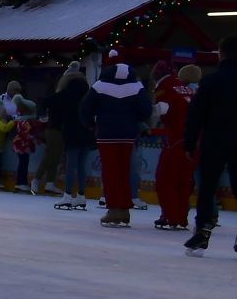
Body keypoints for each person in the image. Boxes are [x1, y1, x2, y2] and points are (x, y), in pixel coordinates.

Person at [81, 62, 151, 228]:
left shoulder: (99, 86)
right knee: (124, 171)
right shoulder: (136, 86)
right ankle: (125, 210)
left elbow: (85, 109)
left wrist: (91, 124)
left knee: (110, 172)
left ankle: (113, 209)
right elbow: (146, 110)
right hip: (128, 135)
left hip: (107, 134)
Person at [184, 37, 237, 255]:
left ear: (222, 54)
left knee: (207, 187)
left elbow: (196, 115)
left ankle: (202, 233)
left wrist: (190, 142)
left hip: (215, 141)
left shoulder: (211, 81)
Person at [152, 63, 200, 231]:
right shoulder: (186, 89)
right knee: (183, 180)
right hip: (194, 140)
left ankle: (170, 216)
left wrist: (145, 111)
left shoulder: (166, 87)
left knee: (165, 179)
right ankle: (181, 217)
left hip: (176, 139)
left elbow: (163, 109)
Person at [33, 63, 82, 196]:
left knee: (56, 157)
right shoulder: (60, 95)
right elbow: (43, 102)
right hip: (54, 129)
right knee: (50, 155)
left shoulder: (67, 96)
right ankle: (37, 179)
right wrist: (42, 115)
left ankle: (49, 183)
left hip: (60, 129)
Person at [50, 64, 94, 208]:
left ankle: (68, 195)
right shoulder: (88, 92)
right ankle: (81, 195)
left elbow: (51, 106)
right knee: (81, 165)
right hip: (87, 131)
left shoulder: (65, 93)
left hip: (72, 131)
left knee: (71, 165)